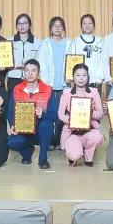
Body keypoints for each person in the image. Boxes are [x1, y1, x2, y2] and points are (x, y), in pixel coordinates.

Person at [7, 59, 55, 170]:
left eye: (33, 70)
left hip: (40, 131)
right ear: (24, 72)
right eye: (27, 70)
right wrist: (13, 125)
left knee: (46, 125)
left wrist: (43, 114)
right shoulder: (17, 89)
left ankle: (43, 159)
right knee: (12, 143)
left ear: (38, 72)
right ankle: (27, 153)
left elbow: (54, 115)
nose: (30, 73)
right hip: (23, 129)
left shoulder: (48, 89)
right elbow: (11, 112)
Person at [57, 64, 105, 166]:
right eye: (78, 75)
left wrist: (90, 113)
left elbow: (100, 114)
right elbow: (60, 114)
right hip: (72, 132)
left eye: (84, 75)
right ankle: (75, 151)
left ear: (88, 77)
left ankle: (88, 156)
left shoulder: (94, 92)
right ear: (73, 77)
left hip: (90, 129)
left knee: (97, 137)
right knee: (74, 156)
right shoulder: (66, 93)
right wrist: (72, 120)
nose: (81, 78)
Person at [37, 16, 70, 144]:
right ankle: (50, 140)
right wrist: (44, 82)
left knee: (63, 113)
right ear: (50, 28)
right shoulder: (45, 43)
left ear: (63, 28)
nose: (57, 28)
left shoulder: (69, 43)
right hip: (49, 84)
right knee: (50, 113)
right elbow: (40, 64)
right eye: (54, 26)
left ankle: (60, 140)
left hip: (64, 84)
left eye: (60, 26)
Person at [68, 14, 105, 88]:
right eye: (84, 23)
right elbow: (71, 61)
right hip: (79, 81)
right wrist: (72, 79)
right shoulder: (75, 42)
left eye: (90, 23)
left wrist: (99, 79)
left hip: (96, 81)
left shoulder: (100, 41)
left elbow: (103, 61)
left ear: (94, 25)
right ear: (81, 26)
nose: (87, 26)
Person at [8, 14, 41, 94]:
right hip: (14, 76)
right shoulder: (9, 41)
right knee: (13, 100)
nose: (22, 26)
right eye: (19, 23)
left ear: (29, 25)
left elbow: (39, 61)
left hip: (31, 77)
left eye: (25, 23)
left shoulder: (37, 42)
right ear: (16, 26)